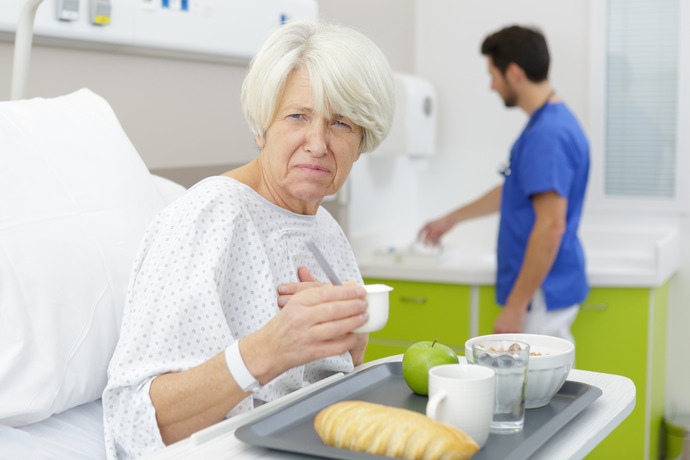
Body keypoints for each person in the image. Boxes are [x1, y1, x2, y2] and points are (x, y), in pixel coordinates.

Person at [102, 20, 395, 459]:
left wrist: (352, 344)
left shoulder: (325, 227)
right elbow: (132, 422)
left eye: (341, 124)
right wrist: (268, 350)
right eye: (298, 116)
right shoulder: (209, 218)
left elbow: (327, 377)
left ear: (362, 141)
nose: (317, 144)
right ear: (261, 128)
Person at [418, 25, 589, 342]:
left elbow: (551, 226)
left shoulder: (547, 135)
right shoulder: (549, 123)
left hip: (540, 294)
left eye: (493, 74)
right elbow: (516, 191)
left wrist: (516, 305)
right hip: (544, 287)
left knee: (537, 388)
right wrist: (452, 218)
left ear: (514, 73)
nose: (492, 85)